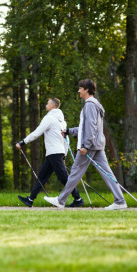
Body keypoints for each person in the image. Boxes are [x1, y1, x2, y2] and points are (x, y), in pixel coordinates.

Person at [43, 79, 127, 210]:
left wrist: (86, 146)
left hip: (90, 146)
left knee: (75, 172)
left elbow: (91, 127)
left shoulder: (90, 105)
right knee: (106, 173)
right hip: (97, 145)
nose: (79, 90)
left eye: (80, 88)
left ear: (87, 90)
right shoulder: (94, 104)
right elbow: (85, 127)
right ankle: (120, 201)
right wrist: (69, 131)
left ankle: (61, 200)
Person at [16, 98, 85, 208]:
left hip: (54, 153)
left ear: (53, 106)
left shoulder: (49, 118)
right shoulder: (62, 121)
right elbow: (66, 140)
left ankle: (78, 198)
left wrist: (23, 142)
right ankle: (30, 199)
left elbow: (37, 132)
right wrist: (64, 154)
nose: (46, 105)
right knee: (42, 176)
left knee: (64, 177)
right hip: (55, 153)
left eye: (47, 103)